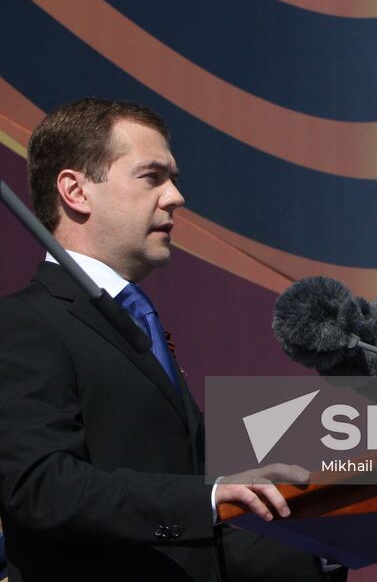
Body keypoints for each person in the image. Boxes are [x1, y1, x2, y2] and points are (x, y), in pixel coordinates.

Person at [0, 98, 333, 581]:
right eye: (151, 176)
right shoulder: (25, 323)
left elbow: (200, 537)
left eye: (172, 178)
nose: (175, 197)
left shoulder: (135, 327)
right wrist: (209, 497)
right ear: (76, 191)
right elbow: (39, 487)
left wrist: (323, 542)